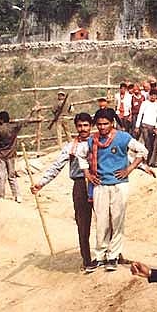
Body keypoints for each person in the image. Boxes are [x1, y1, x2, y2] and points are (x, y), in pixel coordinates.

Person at [77, 108, 147, 270]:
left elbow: (142, 151)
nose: (102, 127)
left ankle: (113, 256)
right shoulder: (92, 141)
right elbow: (81, 155)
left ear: (112, 123)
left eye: (105, 124)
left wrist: (129, 169)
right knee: (101, 221)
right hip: (100, 185)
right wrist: (87, 174)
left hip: (119, 184)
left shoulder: (123, 138)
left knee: (117, 219)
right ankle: (100, 255)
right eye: (99, 124)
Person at [31, 113, 95, 272]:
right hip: (80, 185)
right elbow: (56, 166)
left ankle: (112, 255)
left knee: (106, 221)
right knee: (83, 223)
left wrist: (142, 166)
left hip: (99, 183)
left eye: (86, 125)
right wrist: (41, 183)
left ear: (91, 126)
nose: (83, 129)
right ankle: (87, 260)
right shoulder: (70, 147)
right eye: (80, 126)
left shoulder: (98, 142)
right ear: (76, 127)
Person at [0, 110, 28, 203]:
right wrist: (31, 112)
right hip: (11, 154)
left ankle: (1, 196)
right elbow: (24, 122)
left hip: (0, 155)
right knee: (12, 176)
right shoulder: (14, 128)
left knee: (1, 176)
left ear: (1, 120)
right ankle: (17, 195)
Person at [135, 89, 157, 167]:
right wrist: (137, 126)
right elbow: (140, 114)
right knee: (147, 144)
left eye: (155, 95)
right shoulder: (145, 103)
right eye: (152, 95)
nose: (153, 97)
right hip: (145, 126)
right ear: (149, 95)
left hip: (153, 127)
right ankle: (145, 161)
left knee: (152, 145)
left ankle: (149, 161)